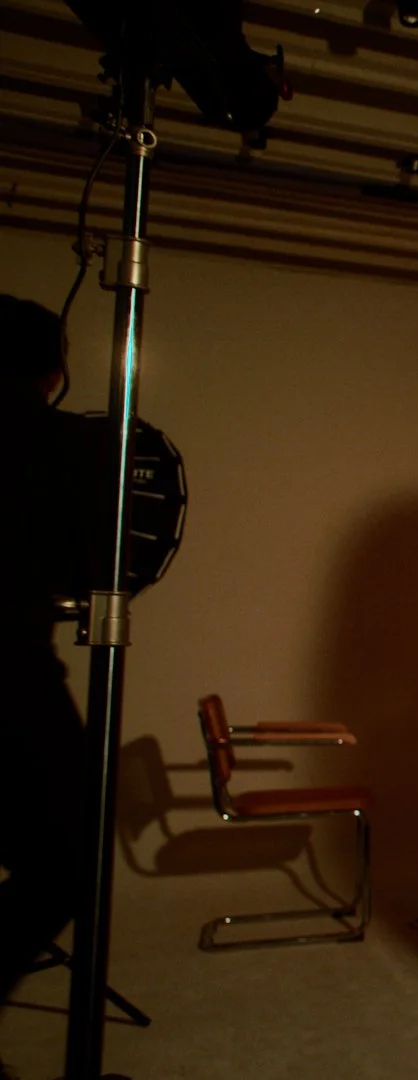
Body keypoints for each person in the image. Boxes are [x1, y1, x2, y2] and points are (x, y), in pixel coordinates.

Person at [0, 295, 92, 1013]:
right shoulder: (54, 444)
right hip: (11, 675)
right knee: (64, 856)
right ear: (54, 369)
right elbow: (86, 566)